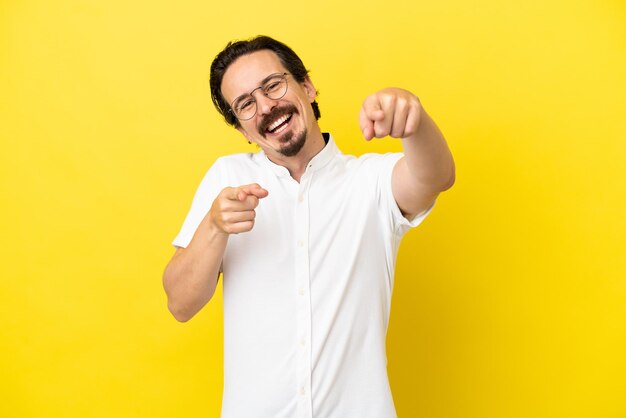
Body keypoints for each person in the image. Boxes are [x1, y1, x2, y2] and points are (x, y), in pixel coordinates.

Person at [163, 35, 455, 418]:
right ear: (241, 130)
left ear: (307, 85)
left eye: (273, 85)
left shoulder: (369, 181)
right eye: (246, 104)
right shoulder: (227, 178)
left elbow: (435, 177)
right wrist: (214, 228)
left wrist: (413, 117)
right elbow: (180, 304)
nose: (266, 106)